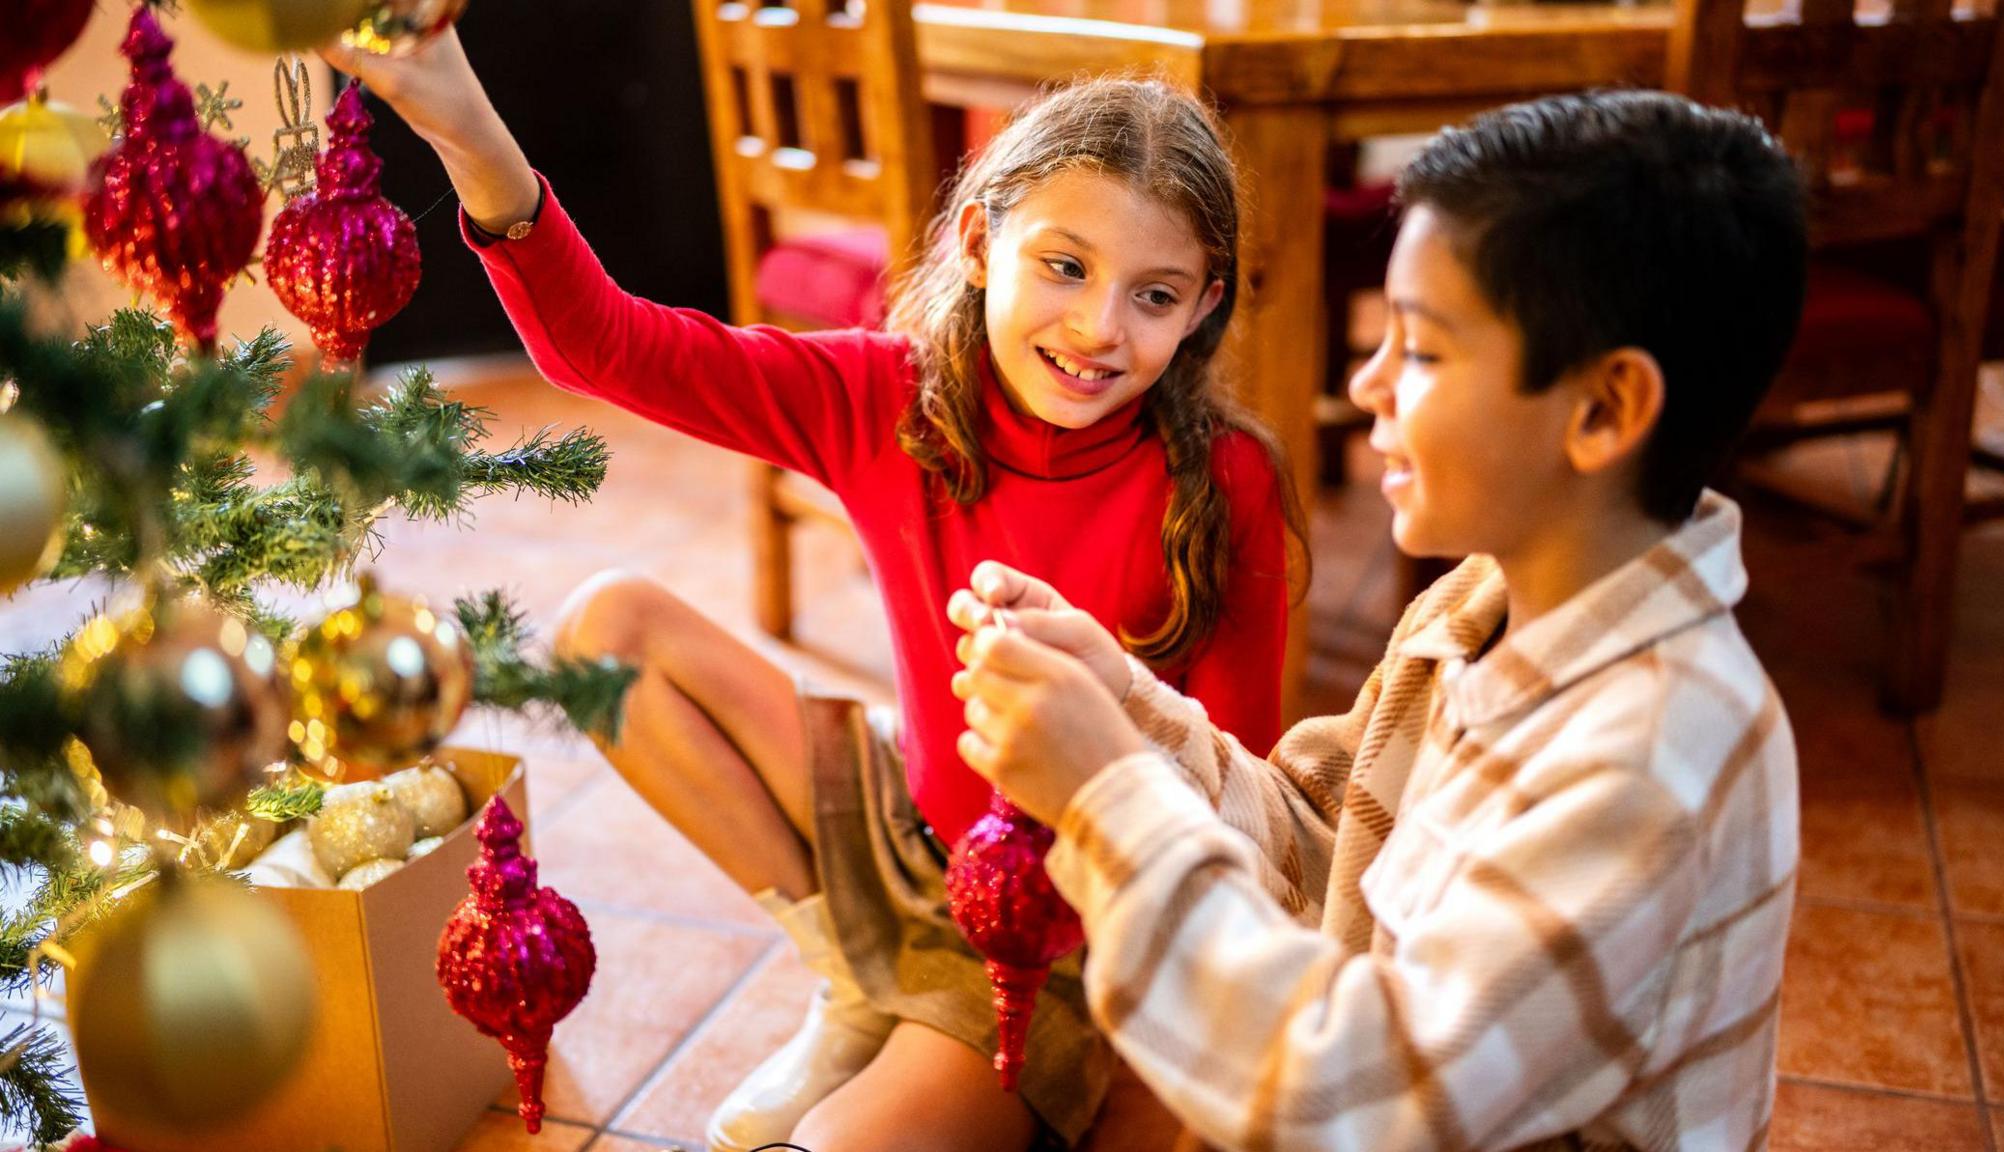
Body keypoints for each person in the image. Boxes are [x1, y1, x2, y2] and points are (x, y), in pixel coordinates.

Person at [330, 37, 1302, 1152]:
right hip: (908, 832)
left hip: (1055, 939)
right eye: (1065, 266)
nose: (1097, 329)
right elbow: (605, 347)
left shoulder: (1223, 479)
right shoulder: (893, 393)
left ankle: (932, 1026)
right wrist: (463, 123)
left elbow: (1240, 799)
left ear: (1202, 305)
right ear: (980, 242)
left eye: (1154, 294)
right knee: (610, 629)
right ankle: (852, 982)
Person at [951, 89, 1806, 1150]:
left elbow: (1362, 1102)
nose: (1365, 384)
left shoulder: (1652, 754)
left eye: (1421, 350)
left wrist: (1103, 796)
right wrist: (1120, 706)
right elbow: (1320, 840)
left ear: (1600, 412)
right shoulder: (1477, 606)